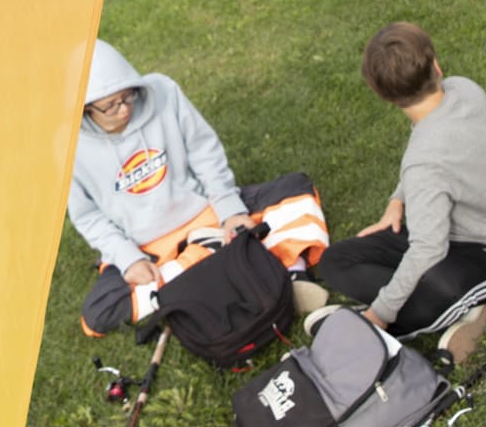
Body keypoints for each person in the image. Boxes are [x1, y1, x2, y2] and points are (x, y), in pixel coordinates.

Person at [69, 41, 329, 336]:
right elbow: (88, 217)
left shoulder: (163, 91)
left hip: (205, 215)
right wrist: (129, 260)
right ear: (86, 109)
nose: (125, 108)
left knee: (296, 188)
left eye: (128, 95)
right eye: (110, 106)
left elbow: (204, 152)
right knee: (100, 311)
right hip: (147, 248)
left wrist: (230, 210)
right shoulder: (67, 147)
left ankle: (280, 276)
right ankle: (240, 261)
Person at [312, 25, 486, 364]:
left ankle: (376, 323)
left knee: (435, 288)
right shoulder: (463, 88)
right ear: (436, 66)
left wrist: (380, 314)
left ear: (383, 95)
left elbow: (428, 247)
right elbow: (434, 158)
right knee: (335, 260)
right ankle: (392, 308)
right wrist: (397, 199)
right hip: (441, 233)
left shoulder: (424, 163)